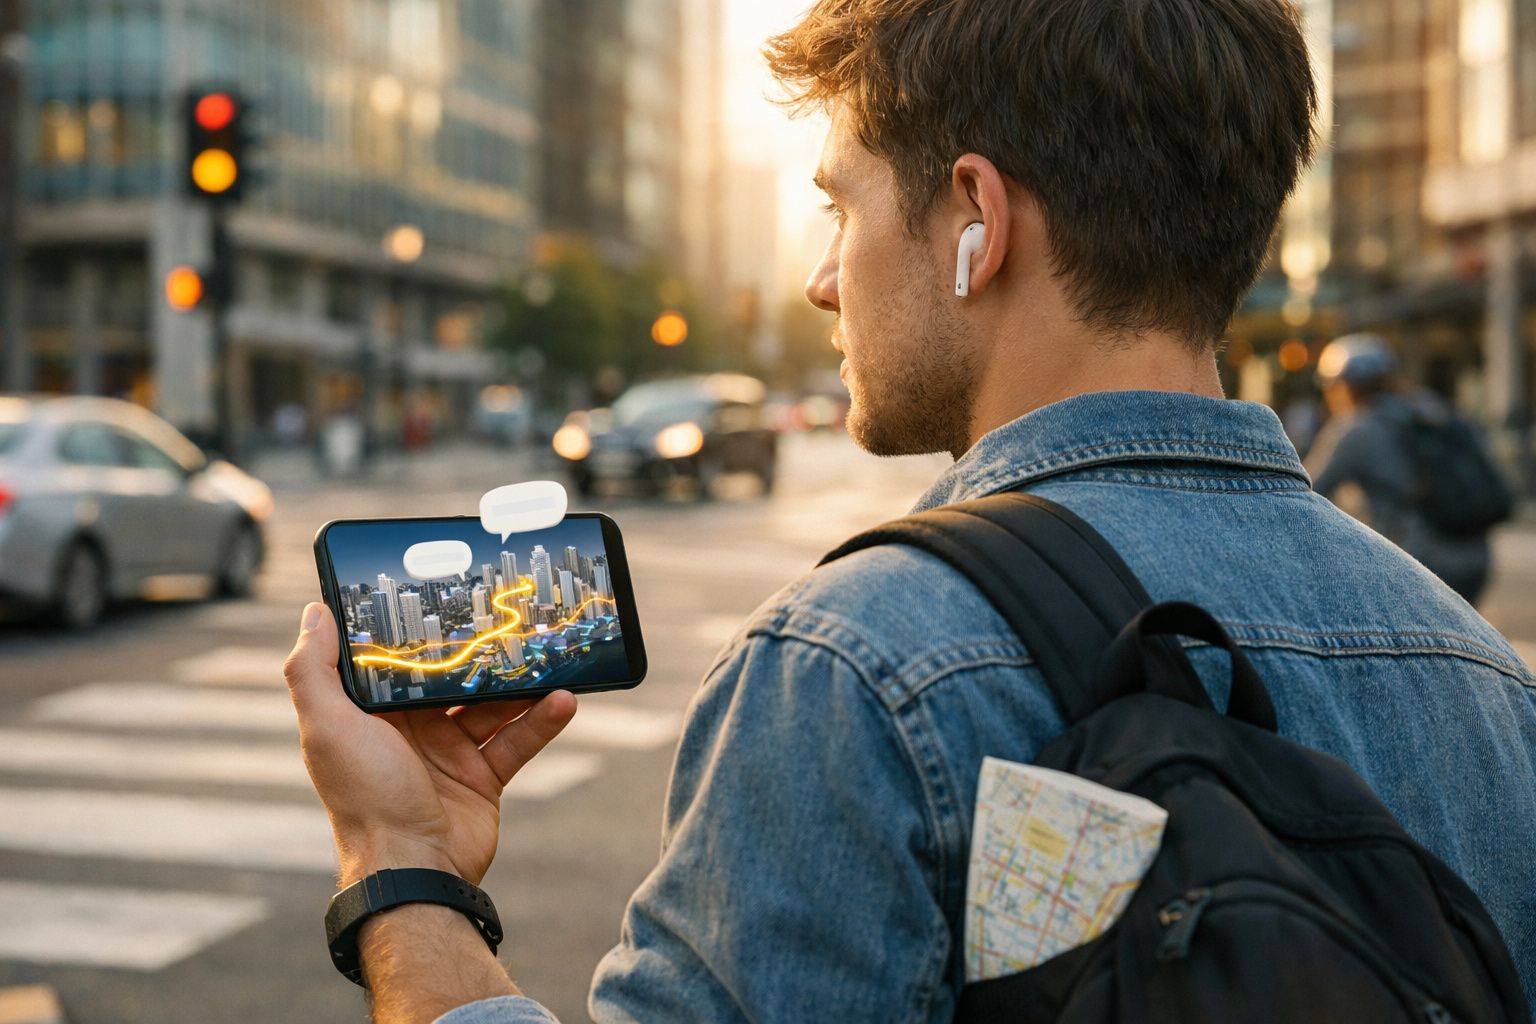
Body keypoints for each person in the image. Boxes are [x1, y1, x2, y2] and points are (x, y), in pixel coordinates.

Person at [282, 0, 1536, 1020]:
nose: (822, 280)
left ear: (976, 223)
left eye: (842, 204)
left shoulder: (859, 669)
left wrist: (406, 876)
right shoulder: (1491, 687)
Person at [1305, 333, 1498, 606]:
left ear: (1345, 386)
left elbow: (1306, 491)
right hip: (1475, 555)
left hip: (1419, 564)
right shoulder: (1431, 408)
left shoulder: (1355, 429)